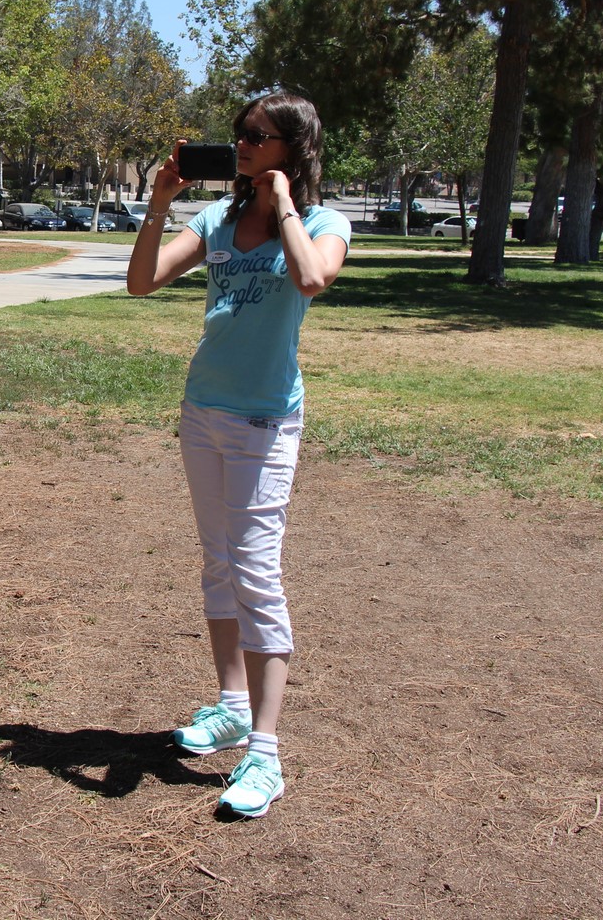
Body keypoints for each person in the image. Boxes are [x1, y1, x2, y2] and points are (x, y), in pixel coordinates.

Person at [126, 90, 350, 819]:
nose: (243, 144)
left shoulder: (322, 223)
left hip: (264, 421)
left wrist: (283, 202)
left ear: (294, 146)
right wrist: (160, 200)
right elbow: (141, 281)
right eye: (240, 134)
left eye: (258, 136)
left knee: (256, 568)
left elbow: (313, 277)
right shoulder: (217, 219)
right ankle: (230, 703)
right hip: (205, 411)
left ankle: (265, 752)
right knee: (218, 559)